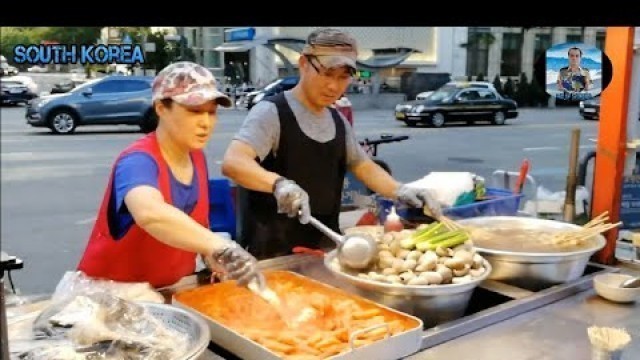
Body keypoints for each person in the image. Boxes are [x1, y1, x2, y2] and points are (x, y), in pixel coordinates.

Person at [221, 28, 441, 260]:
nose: (334, 86)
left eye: (343, 77)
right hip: (273, 253)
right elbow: (234, 162)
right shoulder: (271, 112)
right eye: (327, 74)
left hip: (324, 249)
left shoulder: (337, 120)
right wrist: (279, 185)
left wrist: (400, 190)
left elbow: (363, 166)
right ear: (304, 63)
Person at [77, 61, 262, 289]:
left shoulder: (196, 157)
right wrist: (219, 245)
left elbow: (194, 227)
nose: (205, 123)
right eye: (194, 111)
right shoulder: (138, 160)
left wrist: (210, 254)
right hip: (111, 299)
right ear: (161, 108)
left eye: (211, 112)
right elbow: (150, 213)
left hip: (169, 293)